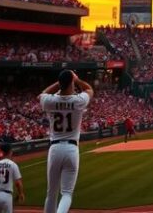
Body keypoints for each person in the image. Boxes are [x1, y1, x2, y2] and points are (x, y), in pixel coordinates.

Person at [38, 69, 94, 213]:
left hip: (55, 149)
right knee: (67, 193)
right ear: (71, 83)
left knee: (51, 193)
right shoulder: (78, 100)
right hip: (71, 149)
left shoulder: (50, 100)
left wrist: (60, 82)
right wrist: (76, 79)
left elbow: (42, 93)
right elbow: (89, 89)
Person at [0, 143, 24, 213]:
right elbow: (18, 183)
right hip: (7, 196)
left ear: (1, 152)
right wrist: (20, 193)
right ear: (10, 152)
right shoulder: (13, 164)